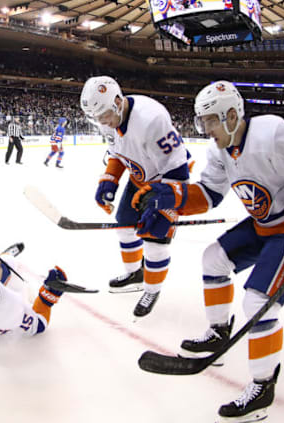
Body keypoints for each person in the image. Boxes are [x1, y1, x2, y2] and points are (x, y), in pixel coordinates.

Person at [132, 80, 284, 422]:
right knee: (213, 258)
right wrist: (169, 196)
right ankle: (218, 332)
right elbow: (208, 194)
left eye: (210, 120)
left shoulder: (272, 131)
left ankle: (263, 386)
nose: (206, 129)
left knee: (256, 301)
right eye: (202, 121)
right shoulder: (220, 151)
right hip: (261, 228)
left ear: (232, 115)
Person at [80, 75, 191, 318]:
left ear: (118, 102)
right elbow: (118, 154)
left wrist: (167, 207)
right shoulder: (106, 117)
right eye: (97, 118)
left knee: (154, 240)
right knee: (124, 225)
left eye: (104, 116)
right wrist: (109, 180)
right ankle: (135, 273)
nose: (102, 123)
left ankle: (152, 289)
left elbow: (178, 170)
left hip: (166, 180)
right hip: (139, 175)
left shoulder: (153, 120)